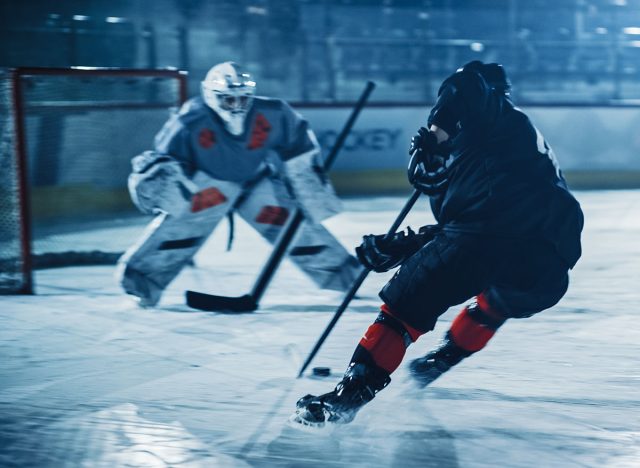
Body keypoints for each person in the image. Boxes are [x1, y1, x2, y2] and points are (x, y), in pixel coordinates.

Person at [290, 61, 584, 428]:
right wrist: (410, 245)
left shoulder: (488, 109)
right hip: (549, 267)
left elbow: (466, 87)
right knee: (495, 300)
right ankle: (442, 360)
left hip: (488, 241)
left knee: (404, 309)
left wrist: (436, 136)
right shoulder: (514, 145)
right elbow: (478, 222)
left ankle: (349, 397)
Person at [117, 61, 361, 307]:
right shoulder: (189, 122)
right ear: (211, 96)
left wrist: (307, 189)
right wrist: (163, 182)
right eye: (228, 100)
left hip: (256, 182)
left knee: (294, 230)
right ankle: (142, 283)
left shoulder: (273, 113)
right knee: (178, 236)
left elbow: (299, 145)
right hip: (211, 187)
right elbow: (168, 161)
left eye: (242, 99)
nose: (236, 106)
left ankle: (345, 278)